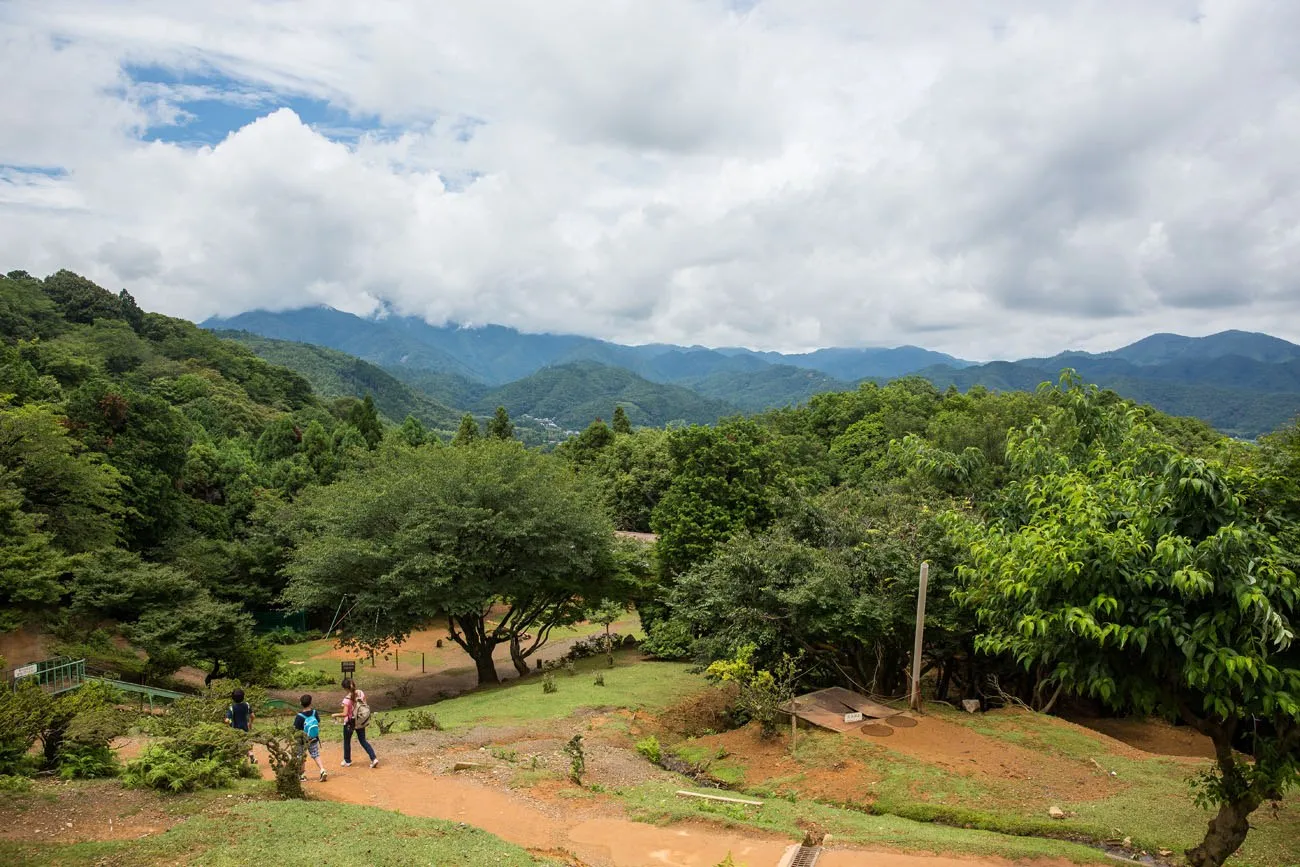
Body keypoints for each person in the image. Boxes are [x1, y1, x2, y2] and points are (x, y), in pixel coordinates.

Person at [331, 678, 378, 768]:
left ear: (345, 688)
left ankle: (347, 760)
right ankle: (373, 758)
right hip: (360, 720)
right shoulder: (360, 692)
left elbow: (345, 714)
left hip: (350, 722)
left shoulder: (346, 700)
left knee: (347, 741)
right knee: (363, 741)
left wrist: (335, 715)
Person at [293, 694, 328, 782]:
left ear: (301, 703)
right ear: (310, 703)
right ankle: (322, 770)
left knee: (301, 756)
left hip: (302, 740)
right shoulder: (314, 712)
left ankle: (302, 775)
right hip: (313, 738)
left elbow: (295, 729)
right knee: (315, 754)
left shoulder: (299, 716)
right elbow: (318, 722)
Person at [224, 687, 256, 764]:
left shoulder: (232, 708)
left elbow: (227, 720)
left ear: (233, 698)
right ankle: (252, 756)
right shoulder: (247, 705)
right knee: (247, 742)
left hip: (235, 730)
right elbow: (252, 716)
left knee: (235, 744)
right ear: (243, 697)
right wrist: (250, 723)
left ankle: (236, 760)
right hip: (245, 728)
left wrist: (227, 722)